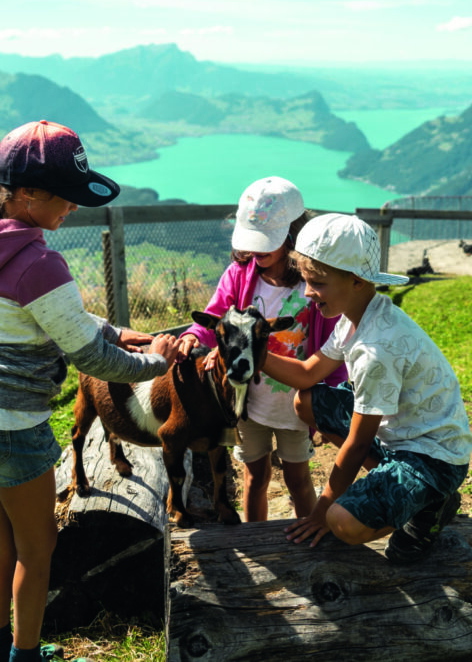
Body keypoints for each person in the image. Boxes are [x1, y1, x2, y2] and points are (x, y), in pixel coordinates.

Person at [0, 120, 181, 662]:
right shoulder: (41, 264)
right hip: (16, 432)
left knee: (2, 543)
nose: (74, 208)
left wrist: (122, 330)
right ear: (29, 195)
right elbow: (91, 358)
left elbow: (62, 319)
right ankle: (25, 655)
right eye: (66, 196)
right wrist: (156, 362)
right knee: (38, 547)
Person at [262, 212, 472, 563]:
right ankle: (399, 486)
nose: (308, 292)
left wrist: (321, 510)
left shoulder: (377, 349)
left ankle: (430, 506)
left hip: (434, 458)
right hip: (400, 436)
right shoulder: (356, 316)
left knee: (342, 523)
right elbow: (306, 374)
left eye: (318, 283)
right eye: (306, 280)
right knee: (308, 402)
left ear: (358, 281)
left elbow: (358, 443)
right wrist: (256, 355)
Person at [179, 177, 347, 522]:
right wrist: (196, 336)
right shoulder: (240, 275)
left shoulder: (313, 284)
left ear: (292, 235)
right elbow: (215, 317)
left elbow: (334, 345)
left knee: (298, 479)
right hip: (248, 402)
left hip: (297, 403)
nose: (256, 253)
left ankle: (310, 532)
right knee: (254, 477)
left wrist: (333, 398)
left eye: (265, 243)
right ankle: (256, 540)